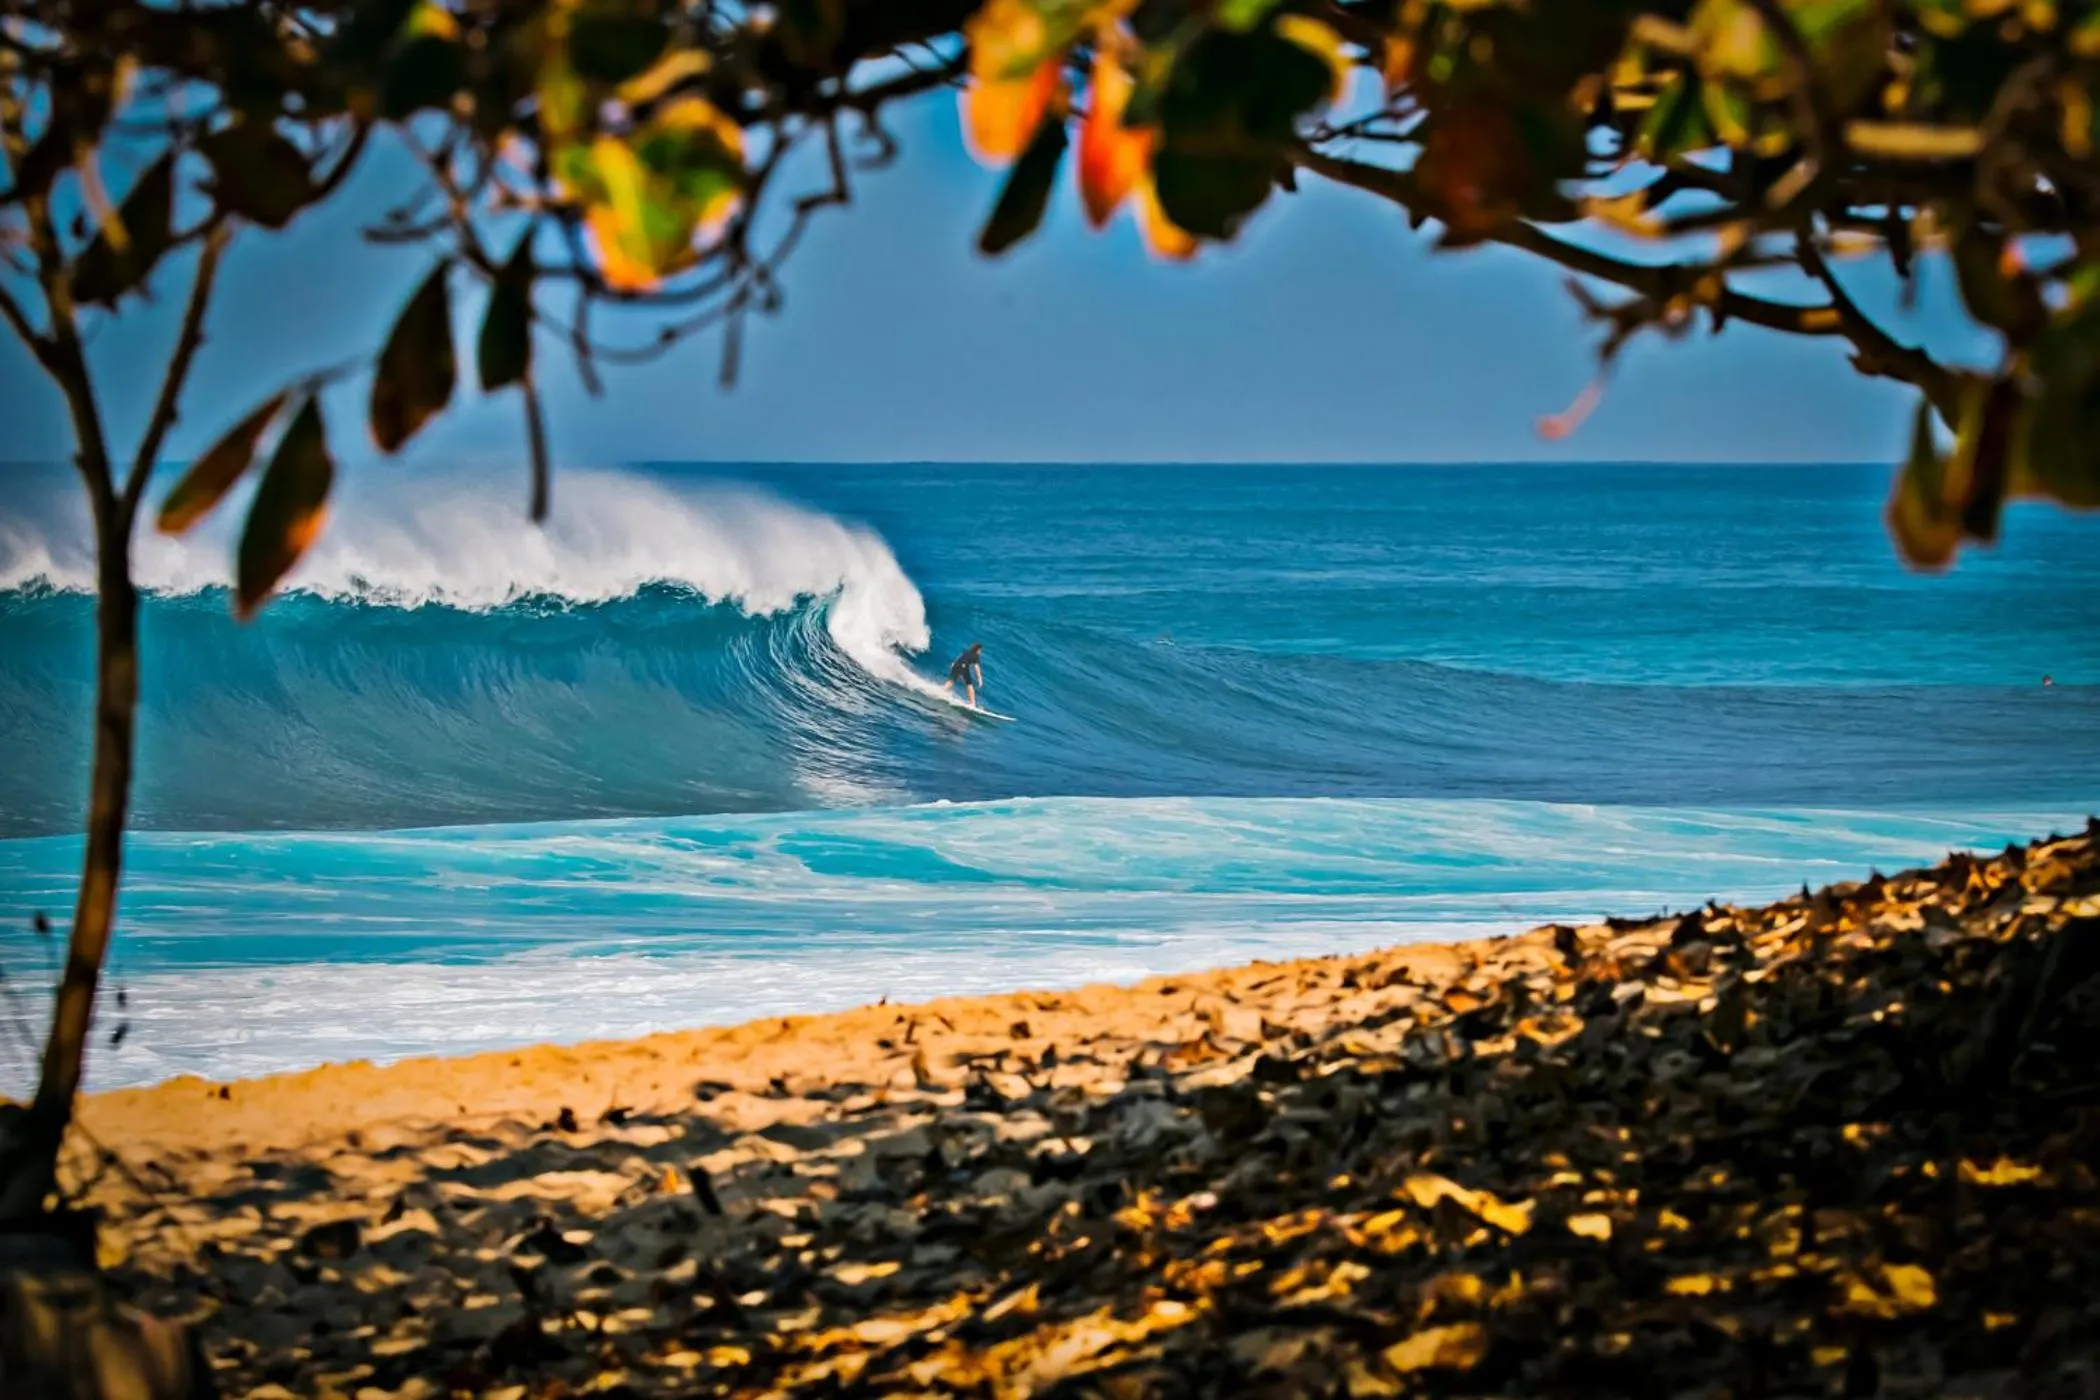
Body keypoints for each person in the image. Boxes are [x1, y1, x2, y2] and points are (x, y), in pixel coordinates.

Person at [944, 642, 984, 707]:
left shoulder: (967, 651)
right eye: (980, 650)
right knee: (969, 684)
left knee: (952, 680)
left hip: (956, 665)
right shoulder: (976, 656)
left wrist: (954, 663)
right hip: (963, 667)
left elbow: (960, 657)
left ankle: (942, 691)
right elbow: (976, 668)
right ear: (978, 649)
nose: (980, 652)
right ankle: (972, 703)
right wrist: (980, 679)